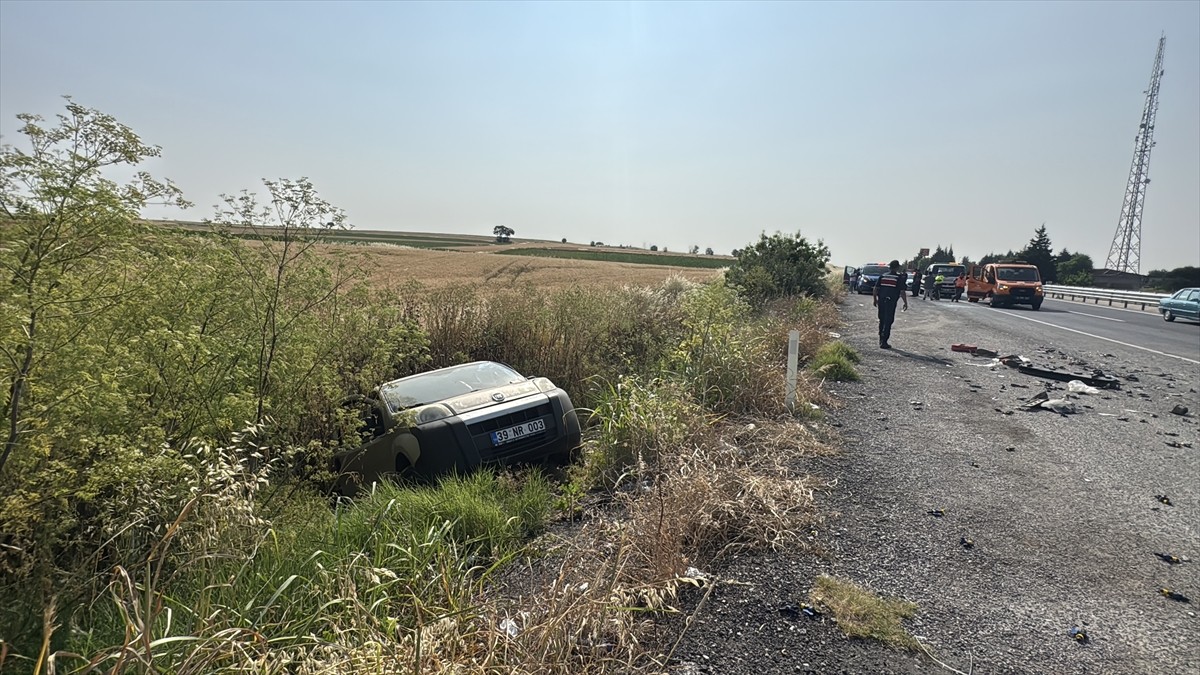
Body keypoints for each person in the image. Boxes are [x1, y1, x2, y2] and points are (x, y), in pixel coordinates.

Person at [872, 260, 908, 349]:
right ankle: (884, 341)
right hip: (891, 302)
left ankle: (881, 339)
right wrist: (905, 302)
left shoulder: (883, 276)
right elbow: (902, 291)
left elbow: (875, 289)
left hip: (881, 301)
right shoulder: (898, 278)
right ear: (897, 268)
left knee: (882, 319)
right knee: (888, 320)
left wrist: (875, 299)